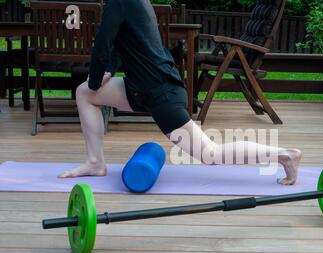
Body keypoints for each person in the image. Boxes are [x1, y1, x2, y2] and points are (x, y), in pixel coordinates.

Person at [59, 0, 302, 185]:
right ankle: (95, 162)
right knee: (85, 94)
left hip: (160, 93)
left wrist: (95, 81)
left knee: (210, 154)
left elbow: (102, 45)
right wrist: (107, 73)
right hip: (141, 88)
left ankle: (284, 155)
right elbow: (122, 45)